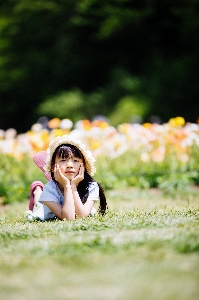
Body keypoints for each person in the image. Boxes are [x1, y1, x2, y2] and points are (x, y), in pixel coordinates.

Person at [25, 135, 107, 221]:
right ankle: (37, 190)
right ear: (53, 166)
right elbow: (68, 218)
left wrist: (73, 187)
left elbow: (81, 216)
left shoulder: (91, 186)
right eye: (63, 160)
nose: (70, 165)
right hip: (44, 208)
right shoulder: (50, 189)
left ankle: (38, 190)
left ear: (84, 166)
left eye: (75, 160)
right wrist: (67, 185)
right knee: (38, 205)